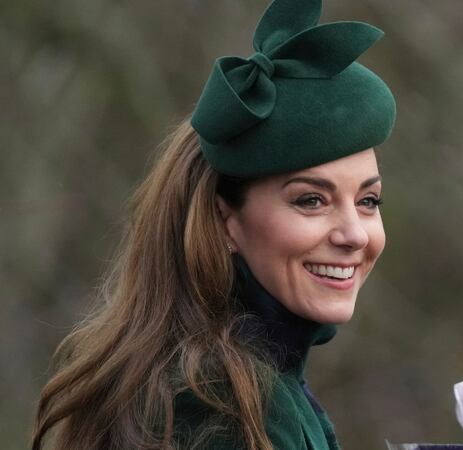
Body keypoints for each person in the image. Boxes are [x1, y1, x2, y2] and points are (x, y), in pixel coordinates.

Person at [31, 0, 396, 448]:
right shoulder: (223, 404)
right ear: (225, 221)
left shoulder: (238, 382)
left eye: (367, 200)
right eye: (311, 200)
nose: (354, 234)